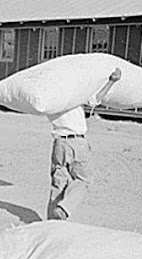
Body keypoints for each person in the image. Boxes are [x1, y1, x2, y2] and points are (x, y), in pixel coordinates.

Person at [46, 67, 122, 220]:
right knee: (84, 179)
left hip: (59, 144)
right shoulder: (75, 94)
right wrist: (111, 81)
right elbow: (96, 98)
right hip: (76, 142)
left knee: (58, 184)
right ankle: (64, 208)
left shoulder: (49, 98)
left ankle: (52, 224)